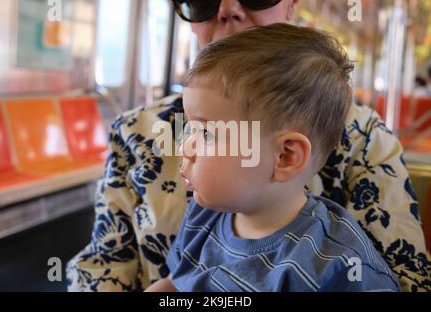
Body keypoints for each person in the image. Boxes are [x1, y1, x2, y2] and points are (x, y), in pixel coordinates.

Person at [67, 0, 430, 292]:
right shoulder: (136, 135)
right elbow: (109, 267)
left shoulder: (362, 141)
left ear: (291, 2)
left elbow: (406, 276)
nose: (228, 9)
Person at [145, 23, 400, 292]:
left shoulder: (337, 266)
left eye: (206, 134)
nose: (185, 146)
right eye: (189, 129)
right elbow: (174, 284)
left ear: (285, 157)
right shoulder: (202, 216)